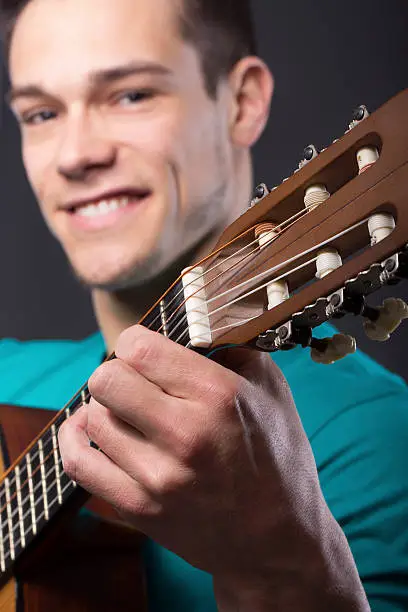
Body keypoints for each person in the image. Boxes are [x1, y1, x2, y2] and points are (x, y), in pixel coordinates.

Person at [1, 0, 407, 609]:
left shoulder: (373, 435)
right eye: (41, 113)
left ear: (242, 102)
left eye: (130, 95)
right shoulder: (8, 380)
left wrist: (279, 557)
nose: (74, 155)